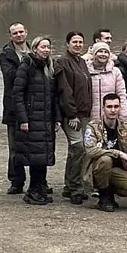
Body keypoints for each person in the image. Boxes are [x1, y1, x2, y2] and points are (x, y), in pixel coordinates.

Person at [13, 36, 59, 205]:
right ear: (35, 49)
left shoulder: (49, 67)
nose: (46, 50)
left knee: (43, 156)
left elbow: (53, 96)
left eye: (48, 47)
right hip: (32, 119)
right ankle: (32, 191)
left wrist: (56, 119)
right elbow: (17, 94)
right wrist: (23, 119)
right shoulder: (27, 65)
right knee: (35, 157)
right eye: (42, 47)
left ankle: (40, 188)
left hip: (46, 119)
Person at [83, 94, 127, 212]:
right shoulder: (93, 127)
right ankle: (103, 197)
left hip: (116, 170)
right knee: (106, 160)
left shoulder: (126, 129)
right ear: (103, 108)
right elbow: (91, 151)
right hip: (96, 169)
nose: (113, 110)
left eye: (116, 106)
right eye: (109, 106)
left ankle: (110, 191)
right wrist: (117, 153)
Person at [55, 31, 93, 204]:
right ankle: (75, 188)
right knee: (78, 147)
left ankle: (69, 186)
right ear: (67, 44)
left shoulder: (82, 62)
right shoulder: (63, 62)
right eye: (74, 42)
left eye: (80, 42)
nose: (78, 45)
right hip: (72, 115)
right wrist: (71, 114)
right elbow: (64, 89)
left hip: (84, 114)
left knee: (80, 150)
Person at [0, 22, 30, 194]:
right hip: (12, 107)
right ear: (10, 36)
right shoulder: (6, 54)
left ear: (26, 32)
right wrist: (27, 65)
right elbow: (10, 75)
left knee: (36, 145)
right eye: (15, 33)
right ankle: (16, 181)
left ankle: (39, 181)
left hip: (33, 104)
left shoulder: (34, 50)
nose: (19, 35)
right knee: (14, 147)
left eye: (21, 32)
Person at [87, 42, 127, 122]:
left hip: (111, 117)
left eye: (106, 52)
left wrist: (123, 116)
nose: (103, 54)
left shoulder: (115, 72)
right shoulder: (85, 71)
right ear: (94, 54)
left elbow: (121, 94)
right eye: (100, 51)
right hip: (90, 118)